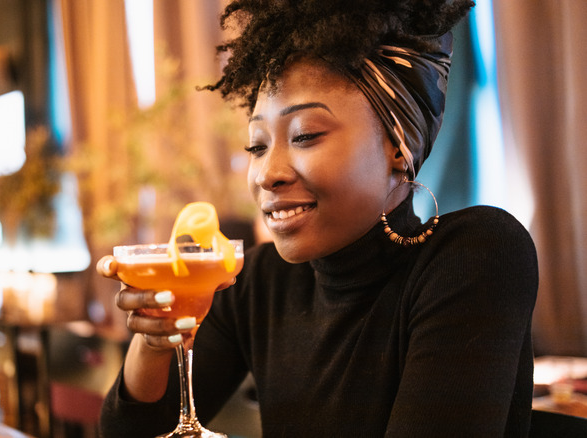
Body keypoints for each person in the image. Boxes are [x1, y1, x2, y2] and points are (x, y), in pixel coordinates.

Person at [97, 0, 538, 436]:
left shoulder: (478, 255)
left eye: (305, 135)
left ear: (398, 148)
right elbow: (129, 433)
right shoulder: (258, 284)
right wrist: (156, 340)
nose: (267, 174)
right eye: (257, 146)